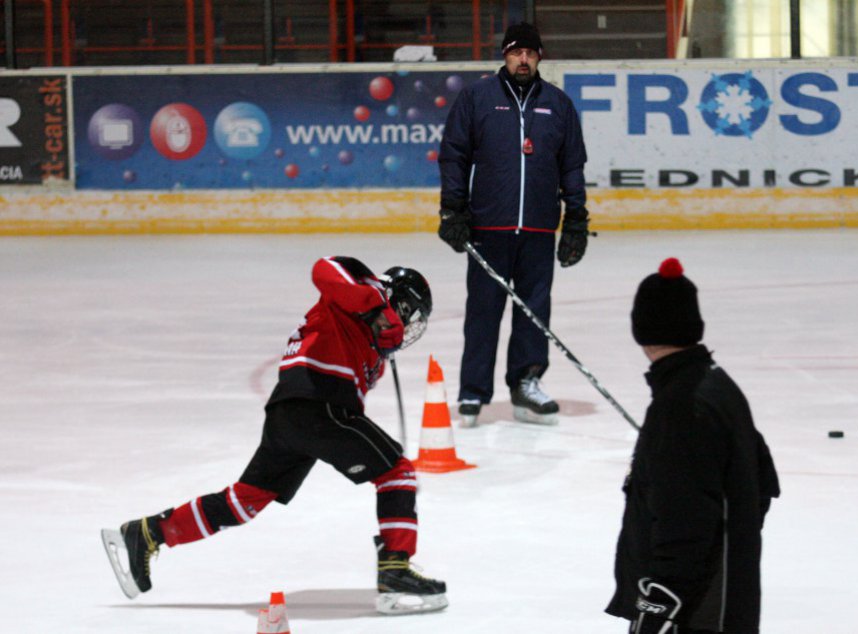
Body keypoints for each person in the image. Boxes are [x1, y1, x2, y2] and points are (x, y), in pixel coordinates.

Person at [101, 256, 448, 615]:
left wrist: (379, 335)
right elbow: (323, 268)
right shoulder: (364, 287)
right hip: (319, 405)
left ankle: (148, 533)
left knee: (245, 500)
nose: (408, 326)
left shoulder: (376, 350)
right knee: (397, 471)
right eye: (411, 314)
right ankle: (395, 570)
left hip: (295, 413)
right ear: (403, 303)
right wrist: (378, 309)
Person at [607, 258, 781, 633]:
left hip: (694, 609)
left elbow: (684, 521)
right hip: (720, 596)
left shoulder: (682, 407)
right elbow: (762, 484)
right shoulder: (714, 385)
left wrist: (661, 605)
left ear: (641, 328)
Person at [437, 21, 590, 428]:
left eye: (530, 52)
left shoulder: (558, 105)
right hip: (490, 227)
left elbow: (571, 165)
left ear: (540, 57)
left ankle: (526, 383)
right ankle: (473, 391)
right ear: (504, 55)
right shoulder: (477, 99)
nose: (523, 59)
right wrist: (453, 209)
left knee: (534, 313)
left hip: (539, 229)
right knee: (483, 312)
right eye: (516, 52)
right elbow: (454, 155)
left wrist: (575, 219)